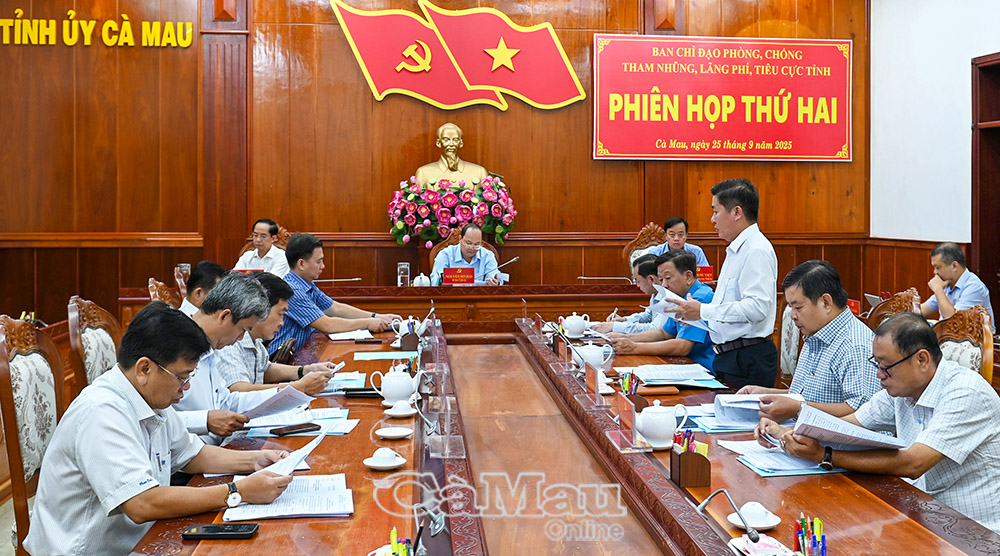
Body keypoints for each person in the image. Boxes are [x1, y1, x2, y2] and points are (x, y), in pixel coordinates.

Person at [23, 301, 292, 555]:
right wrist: (237, 492)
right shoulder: (102, 411)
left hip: (144, 540)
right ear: (144, 369)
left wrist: (255, 460)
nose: (186, 387)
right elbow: (142, 503)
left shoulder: (150, 397)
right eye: (182, 377)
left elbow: (192, 454)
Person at [757, 312, 1000, 534]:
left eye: (886, 367)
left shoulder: (965, 392)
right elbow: (846, 426)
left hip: (971, 531)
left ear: (922, 360)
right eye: (877, 364)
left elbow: (913, 463)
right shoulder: (900, 388)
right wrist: (787, 433)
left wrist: (825, 456)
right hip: (918, 511)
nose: (879, 375)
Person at [667, 179, 778, 390]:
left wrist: (703, 310)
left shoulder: (756, 250)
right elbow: (729, 308)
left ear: (736, 212)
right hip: (731, 356)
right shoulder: (736, 249)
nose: (712, 219)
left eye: (716, 211)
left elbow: (757, 308)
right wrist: (697, 316)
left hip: (747, 358)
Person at [738, 260, 879, 422]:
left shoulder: (855, 345)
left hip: (833, 438)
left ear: (826, 302)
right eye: (791, 308)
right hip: (801, 431)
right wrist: (765, 394)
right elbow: (808, 396)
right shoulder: (816, 334)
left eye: (798, 308)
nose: (793, 315)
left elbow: (863, 411)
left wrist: (798, 409)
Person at [174, 273, 278, 443]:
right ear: (224, 316)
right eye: (243, 330)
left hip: (216, 448)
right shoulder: (172, 341)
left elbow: (225, 402)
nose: (241, 338)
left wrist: (282, 396)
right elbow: (154, 417)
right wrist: (204, 420)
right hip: (187, 455)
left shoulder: (212, 345)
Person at [269, 233, 399, 356]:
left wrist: (377, 316)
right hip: (281, 360)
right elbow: (327, 325)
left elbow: (336, 308)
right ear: (301, 264)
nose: (323, 266)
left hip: (301, 352)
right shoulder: (293, 290)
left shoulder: (307, 285)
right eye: (319, 261)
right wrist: (367, 323)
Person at [216, 272, 340, 393]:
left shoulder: (255, 341)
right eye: (280, 314)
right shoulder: (230, 341)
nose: (282, 322)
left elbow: (265, 369)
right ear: (261, 308)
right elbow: (239, 390)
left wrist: (305, 370)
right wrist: (299, 387)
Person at [610, 250, 716, 371]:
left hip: (701, 368)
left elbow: (682, 347)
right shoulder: (679, 296)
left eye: (668, 278)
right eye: (661, 280)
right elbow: (664, 333)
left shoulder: (700, 298)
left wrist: (634, 348)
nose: (664, 285)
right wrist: (626, 337)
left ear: (688, 276)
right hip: (682, 364)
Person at [919, 242, 995, 333]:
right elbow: (923, 310)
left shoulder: (974, 287)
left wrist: (938, 290)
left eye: (938, 267)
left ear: (954, 266)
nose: (935, 272)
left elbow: (954, 322)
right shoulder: (947, 283)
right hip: (948, 338)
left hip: (973, 340)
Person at [591, 254, 661, 334]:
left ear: (651, 279)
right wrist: (624, 320)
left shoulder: (667, 297)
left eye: (638, 281)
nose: (637, 285)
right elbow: (648, 316)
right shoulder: (655, 293)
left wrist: (615, 326)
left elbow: (655, 329)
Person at [415, 122, 489, 186]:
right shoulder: (423, 173)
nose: (451, 144)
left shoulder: (479, 172)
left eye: (455, 140)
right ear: (438, 143)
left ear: (461, 143)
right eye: (446, 140)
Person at [430, 223, 502, 285]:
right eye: (468, 243)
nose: (472, 248)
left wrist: (496, 282)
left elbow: (495, 276)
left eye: (476, 244)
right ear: (460, 239)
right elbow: (435, 280)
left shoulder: (487, 255)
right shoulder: (446, 254)